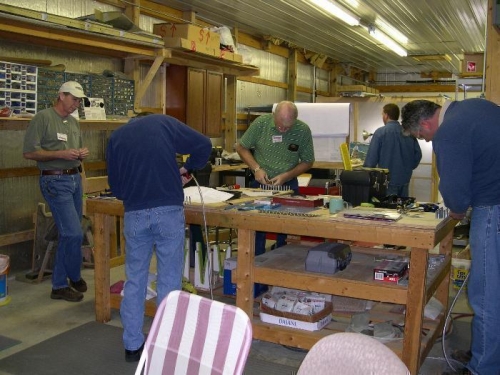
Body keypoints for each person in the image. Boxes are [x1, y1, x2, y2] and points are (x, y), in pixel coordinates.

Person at [401, 98, 500, 375]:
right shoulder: (472, 107)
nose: (427, 140)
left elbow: (454, 188)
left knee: (486, 294)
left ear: (425, 123)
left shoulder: (449, 130)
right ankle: (485, 353)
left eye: (423, 136)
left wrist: (456, 210)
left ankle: (483, 368)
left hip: (494, 206)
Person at [106, 113, 212, 363]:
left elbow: (118, 189)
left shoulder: (116, 138)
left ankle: (132, 347)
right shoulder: (163, 123)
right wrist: (185, 169)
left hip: (135, 214)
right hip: (168, 211)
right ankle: (164, 346)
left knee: (135, 281)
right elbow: (204, 145)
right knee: (168, 280)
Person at [23, 81, 89, 303]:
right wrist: (62, 154)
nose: (76, 104)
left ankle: (69, 278)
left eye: (79, 101)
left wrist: (79, 154)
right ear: (61, 95)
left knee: (72, 232)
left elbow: (74, 153)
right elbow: (30, 153)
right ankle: (64, 281)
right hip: (54, 180)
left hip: (74, 179)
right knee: (73, 233)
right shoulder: (43, 118)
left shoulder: (73, 123)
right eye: (74, 99)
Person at [235, 101, 315, 255]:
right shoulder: (261, 124)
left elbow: (308, 161)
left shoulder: (303, 130)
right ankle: (255, 266)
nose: (282, 130)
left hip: (288, 185)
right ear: (274, 116)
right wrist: (256, 168)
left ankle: (281, 266)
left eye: (287, 127)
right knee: (257, 228)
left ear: (295, 120)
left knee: (286, 230)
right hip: (259, 186)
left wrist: (286, 175)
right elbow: (241, 147)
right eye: (279, 126)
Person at [363, 103, 422, 197]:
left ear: (386, 115)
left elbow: (371, 160)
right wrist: (407, 167)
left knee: (388, 209)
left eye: (382, 114)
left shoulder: (380, 132)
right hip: (404, 179)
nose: (383, 117)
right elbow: (418, 155)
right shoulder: (408, 132)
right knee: (402, 208)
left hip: (386, 181)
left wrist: (365, 174)